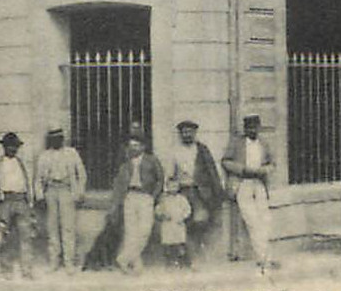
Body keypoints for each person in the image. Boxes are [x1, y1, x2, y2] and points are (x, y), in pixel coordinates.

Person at [221, 114, 276, 273]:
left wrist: (265, 170)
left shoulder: (264, 143)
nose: (252, 130)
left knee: (264, 219)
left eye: (255, 127)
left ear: (259, 128)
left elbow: (272, 163)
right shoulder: (237, 143)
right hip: (243, 183)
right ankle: (262, 258)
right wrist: (243, 169)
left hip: (259, 183)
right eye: (249, 128)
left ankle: (266, 256)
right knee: (251, 220)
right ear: (245, 129)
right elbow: (225, 161)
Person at [166, 119, 224, 265]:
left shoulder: (202, 150)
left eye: (190, 132)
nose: (187, 135)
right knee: (181, 224)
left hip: (200, 193)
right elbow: (170, 175)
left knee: (200, 220)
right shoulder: (175, 151)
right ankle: (187, 257)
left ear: (195, 133)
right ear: (180, 134)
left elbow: (212, 171)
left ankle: (196, 253)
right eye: (184, 132)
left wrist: (218, 193)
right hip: (181, 192)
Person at [110, 132, 164, 274]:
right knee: (131, 232)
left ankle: (124, 258)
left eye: (137, 145)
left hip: (145, 196)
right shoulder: (125, 163)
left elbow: (160, 180)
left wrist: (154, 196)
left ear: (143, 147)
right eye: (131, 146)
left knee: (145, 230)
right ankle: (136, 264)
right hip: (130, 197)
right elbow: (118, 182)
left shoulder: (151, 160)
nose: (133, 148)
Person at [33, 128, 86, 273]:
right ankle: (53, 262)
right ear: (50, 140)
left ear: (63, 138)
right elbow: (38, 179)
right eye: (53, 138)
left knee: (68, 227)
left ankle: (69, 262)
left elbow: (81, 174)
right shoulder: (44, 156)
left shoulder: (71, 153)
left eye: (59, 137)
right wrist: (40, 196)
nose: (57, 140)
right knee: (52, 227)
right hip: (51, 190)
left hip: (67, 191)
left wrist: (79, 193)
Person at [0, 131, 36, 279]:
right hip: (5, 202)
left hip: (21, 202)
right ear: (4, 147)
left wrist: (30, 203)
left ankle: (27, 270)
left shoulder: (22, 163)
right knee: (4, 237)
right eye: (9, 146)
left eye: (15, 147)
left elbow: (28, 184)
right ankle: (6, 270)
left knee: (26, 236)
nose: (12, 149)